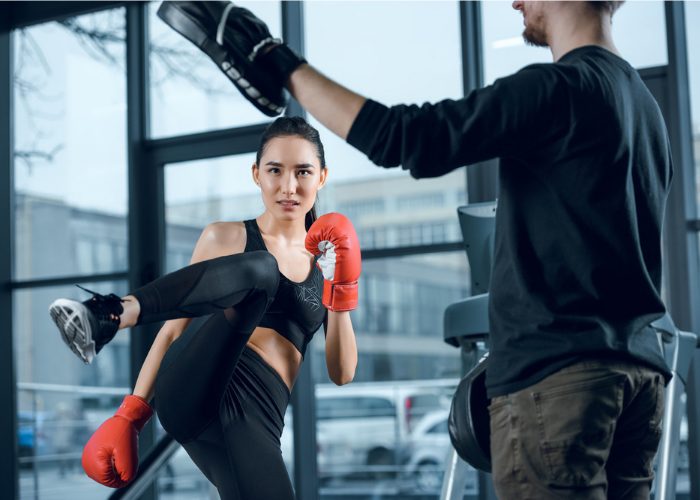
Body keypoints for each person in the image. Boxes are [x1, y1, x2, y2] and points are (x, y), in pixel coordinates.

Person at [155, 1, 674, 498]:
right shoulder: (645, 109)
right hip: (640, 379)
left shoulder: (557, 87)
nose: (517, 3)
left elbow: (406, 136)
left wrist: (277, 59)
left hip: (562, 382)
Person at [48, 116, 361, 500]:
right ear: (256, 174)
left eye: (303, 172)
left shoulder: (329, 262)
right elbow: (174, 330)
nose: (289, 186)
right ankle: (110, 315)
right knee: (263, 270)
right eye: (275, 170)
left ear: (322, 177)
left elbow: (342, 373)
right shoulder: (225, 237)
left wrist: (341, 287)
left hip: (257, 416)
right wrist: (131, 414)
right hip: (198, 382)